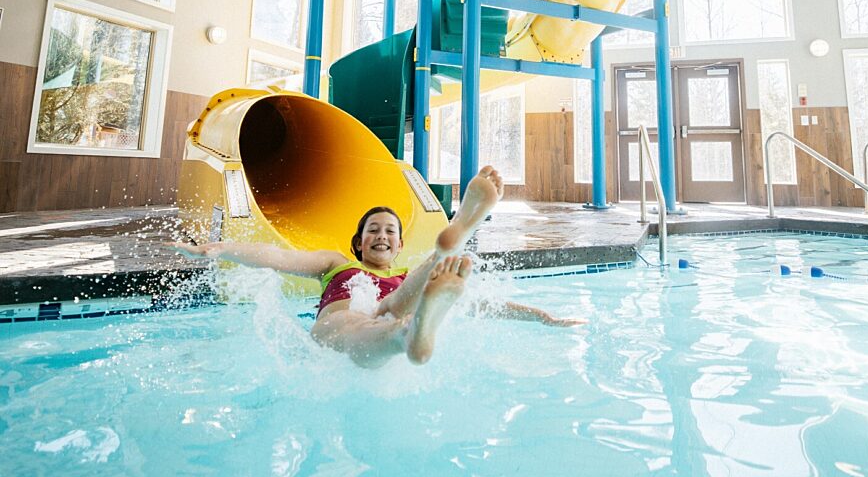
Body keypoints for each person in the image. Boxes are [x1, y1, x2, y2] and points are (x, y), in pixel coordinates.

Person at [171, 166, 583, 368]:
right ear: (358, 241)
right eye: (373, 230)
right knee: (370, 317)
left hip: (400, 304)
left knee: (405, 298)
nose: (381, 236)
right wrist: (220, 247)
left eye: (390, 231)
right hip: (344, 325)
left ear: (400, 244)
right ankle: (412, 322)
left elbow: (484, 305)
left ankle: (450, 245)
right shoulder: (336, 265)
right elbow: (279, 257)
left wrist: (543, 317)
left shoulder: (408, 276)